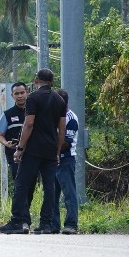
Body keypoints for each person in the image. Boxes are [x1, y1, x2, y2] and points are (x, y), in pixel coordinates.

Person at [0, 69, 66, 235]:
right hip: (50, 149)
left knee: (21, 184)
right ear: (52, 82)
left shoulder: (33, 98)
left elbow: (28, 124)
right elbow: (62, 129)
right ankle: (46, 224)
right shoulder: (59, 100)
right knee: (49, 187)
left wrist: (20, 148)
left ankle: (17, 221)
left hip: (33, 149)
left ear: (36, 81)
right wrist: (57, 151)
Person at [52, 88, 79, 235]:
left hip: (65, 159)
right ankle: (53, 224)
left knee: (69, 193)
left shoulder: (70, 118)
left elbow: (66, 143)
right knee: (51, 194)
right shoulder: (54, 117)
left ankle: (71, 224)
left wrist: (51, 149)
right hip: (52, 161)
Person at [0, 82, 29, 188]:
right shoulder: (7, 114)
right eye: (17, 93)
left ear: (27, 93)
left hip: (33, 154)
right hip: (15, 157)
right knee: (19, 185)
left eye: (22, 93)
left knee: (32, 185)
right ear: (12, 96)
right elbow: (0, 135)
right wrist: (7, 143)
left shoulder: (34, 112)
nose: (20, 96)